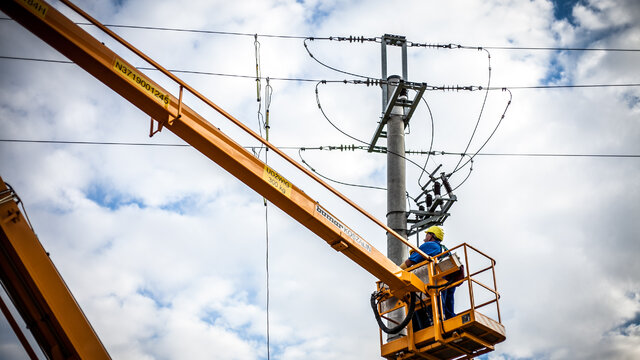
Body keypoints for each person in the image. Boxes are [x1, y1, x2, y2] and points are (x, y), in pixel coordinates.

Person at [401, 226, 457, 322]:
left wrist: (397, 271)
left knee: (423, 310)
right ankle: (450, 322)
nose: (424, 238)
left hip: (433, 283)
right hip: (447, 281)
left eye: (426, 235)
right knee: (447, 309)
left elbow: (410, 262)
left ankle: (436, 320)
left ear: (431, 236)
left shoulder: (429, 245)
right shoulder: (445, 250)